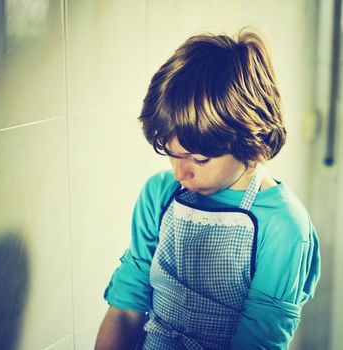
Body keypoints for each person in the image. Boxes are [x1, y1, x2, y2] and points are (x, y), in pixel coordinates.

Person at [95, 29, 321, 350]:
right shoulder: (159, 195)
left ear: (247, 140)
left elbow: (258, 342)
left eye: (199, 159)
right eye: (172, 154)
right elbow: (125, 310)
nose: (180, 173)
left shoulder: (284, 227)